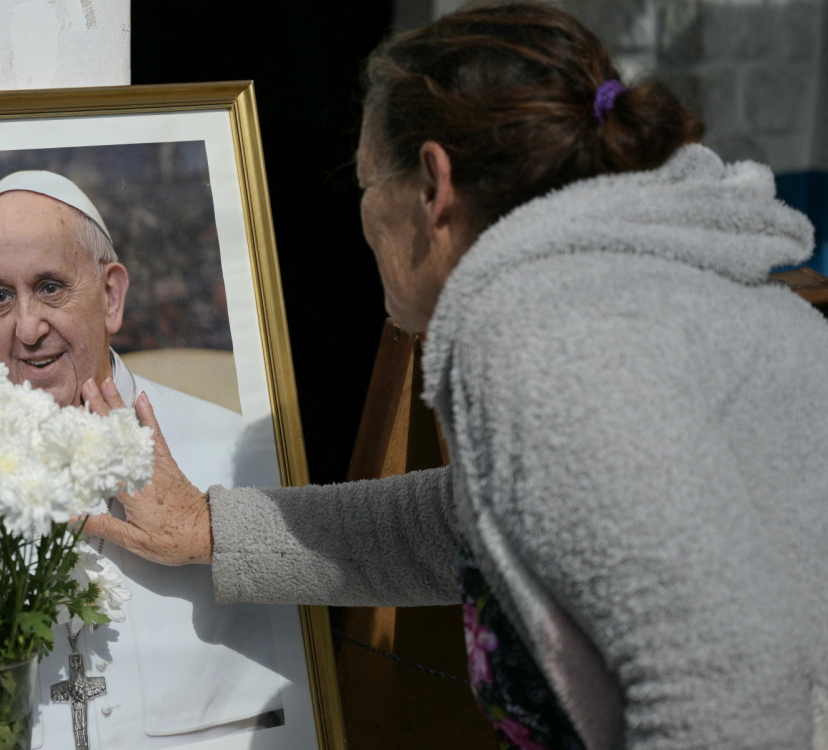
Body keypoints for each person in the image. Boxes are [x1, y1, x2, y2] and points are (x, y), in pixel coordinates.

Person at [82, 3, 828, 749]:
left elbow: (728, 698)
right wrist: (212, 529)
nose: (364, 221)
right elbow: (483, 521)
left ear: (433, 185)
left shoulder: (548, 339)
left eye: (368, 185)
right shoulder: (639, 284)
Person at [0, 170, 303, 749]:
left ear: (111, 296)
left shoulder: (239, 450)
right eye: (2, 296)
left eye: (50, 287)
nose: (26, 328)